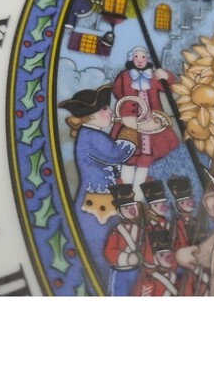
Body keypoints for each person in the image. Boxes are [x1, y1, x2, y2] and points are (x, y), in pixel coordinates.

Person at [59, 84, 136, 286]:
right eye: (104, 108)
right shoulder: (91, 136)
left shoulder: (91, 134)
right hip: (96, 206)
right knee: (102, 250)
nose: (110, 112)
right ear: (90, 116)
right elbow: (116, 154)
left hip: (102, 202)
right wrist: (130, 131)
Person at [110, 46, 180, 198]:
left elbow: (169, 88)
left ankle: (138, 195)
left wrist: (166, 75)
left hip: (151, 124)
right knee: (129, 156)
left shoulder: (152, 76)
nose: (140, 60)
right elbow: (117, 91)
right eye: (136, 56)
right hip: (131, 122)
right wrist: (127, 113)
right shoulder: (124, 76)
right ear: (131, 58)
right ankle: (125, 194)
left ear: (147, 59)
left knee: (146, 157)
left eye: (143, 57)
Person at [103, 184, 144, 296]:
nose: (131, 210)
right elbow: (109, 252)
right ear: (119, 211)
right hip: (120, 272)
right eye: (126, 208)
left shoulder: (140, 230)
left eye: (132, 206)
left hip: (137, 271)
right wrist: (127, 258)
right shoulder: (116, 231)